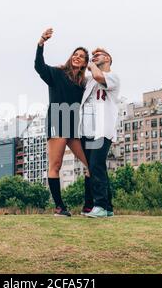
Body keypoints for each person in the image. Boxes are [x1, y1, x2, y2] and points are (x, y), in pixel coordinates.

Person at [34, 28, 90, 217]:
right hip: (57, 121)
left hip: (73, 126)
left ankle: (89, 206)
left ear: (85, 63)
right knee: (55, 165)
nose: (77, 57)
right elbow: (39, 67)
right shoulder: (57, 73)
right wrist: (41, 43)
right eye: (75, 54)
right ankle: (59, 207)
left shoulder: (83, 83)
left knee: (90, 165)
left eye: (81, 56)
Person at [79, 48, 121, 218]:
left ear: (108, 58)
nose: (94, 57)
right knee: (95, 168)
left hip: (103, 129)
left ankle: (100, 206)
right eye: (93, 55)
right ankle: (107, 207)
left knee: (96, 165)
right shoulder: (90, 81)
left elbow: (98, 76)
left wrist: (90, 64)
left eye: (98, 55)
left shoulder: (113, 77)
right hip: (87, 130)